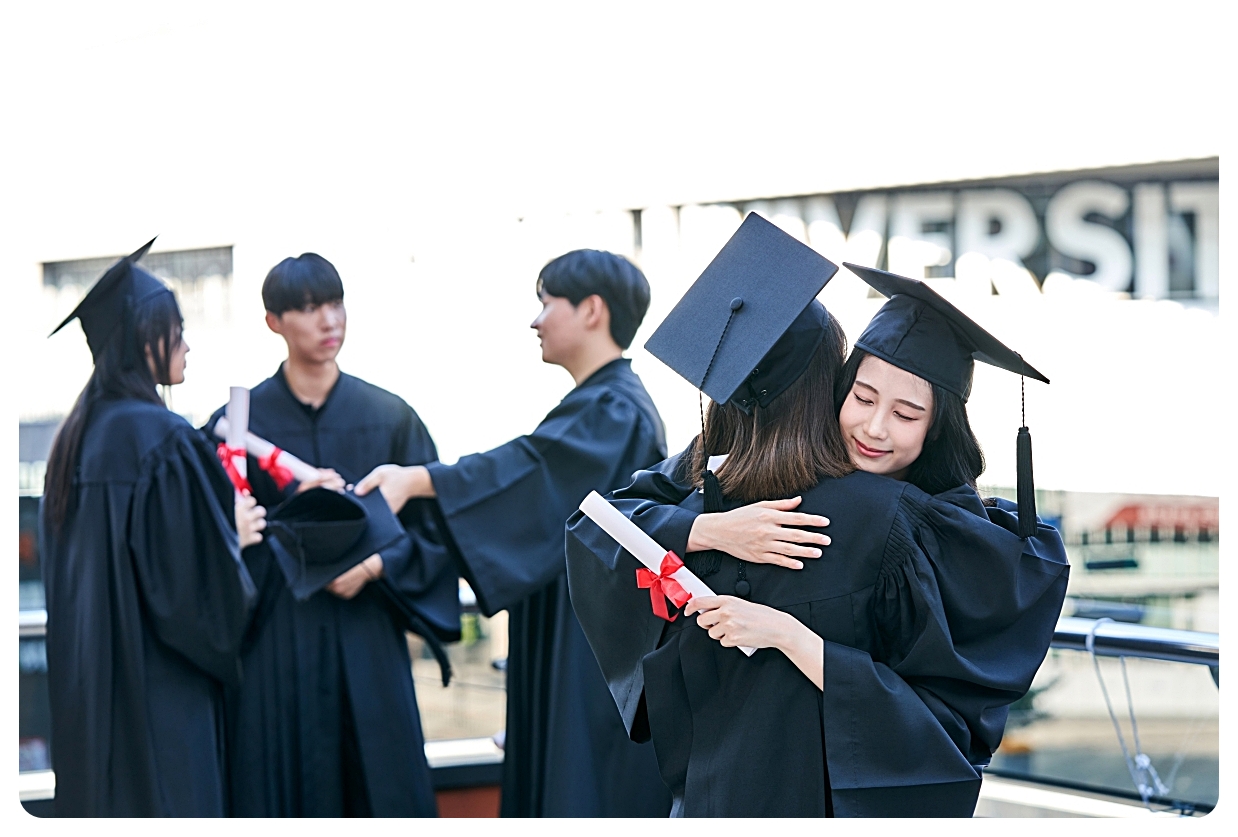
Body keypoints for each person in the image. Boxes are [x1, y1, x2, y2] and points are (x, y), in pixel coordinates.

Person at [565, 214, 1070, 817]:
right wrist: (711, 530)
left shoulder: (926, 530)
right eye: (863, 397)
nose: (875, 428)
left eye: (906, 415)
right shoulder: (736, 473)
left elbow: (938, 725)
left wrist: (789, 635)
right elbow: (605, 522)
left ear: (938, 427)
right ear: (839, 386)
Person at [356, 249, 672, 817]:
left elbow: (531, 470)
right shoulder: (601, 404)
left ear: (592, 310)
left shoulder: (616, 409)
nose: (535, 320)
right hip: (577, 630)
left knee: (582, 793)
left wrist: (420, 480)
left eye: (547, 303)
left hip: (593, 646)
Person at [205, 253, 458, 817]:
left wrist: (375, 565)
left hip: (366, 635)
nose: (329, 320)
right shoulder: (237, 426)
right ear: (274, 321)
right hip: (275, 640)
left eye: (335, 303)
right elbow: (206, 536)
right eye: (308, 308)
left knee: (379, 791)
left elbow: (439, 535)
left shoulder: (390, 416)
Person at [40, 241, 263, 816]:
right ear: (145, 339)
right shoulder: (161, 438)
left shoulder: (74, 442)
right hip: (163, 710)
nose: (187, 345)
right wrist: (232, 538)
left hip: (91, 709)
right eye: (177, 331)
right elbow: (196, 601)